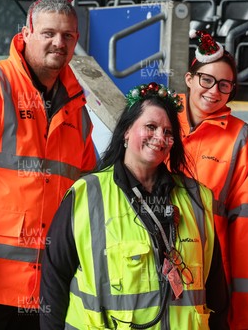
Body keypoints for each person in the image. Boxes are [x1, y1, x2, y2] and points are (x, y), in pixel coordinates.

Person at [40, 82, 229, 329]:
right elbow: (54, 281)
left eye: (168, 132)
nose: (160, 138)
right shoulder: (87, 194)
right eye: (150, 127)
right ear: (127, 131)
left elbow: (215, 289)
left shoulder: (196, 199)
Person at [0, 0, 97, 329]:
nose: (58, 43)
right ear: (27, 32)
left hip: (51, 285)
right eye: (48, 33)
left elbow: (89, 187)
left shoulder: (77, 105)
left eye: (68, 36)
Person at [180, 30, 248, 329]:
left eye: (224, 85)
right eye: (206, 80)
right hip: (147, 267)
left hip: (208, 275)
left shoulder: (241, 137)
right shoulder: (158, 117)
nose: (214, 91)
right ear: (189, 78)